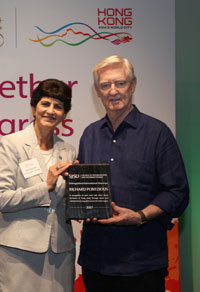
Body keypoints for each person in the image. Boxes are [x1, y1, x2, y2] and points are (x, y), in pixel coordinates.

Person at [77, 55, 189, 292]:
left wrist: (140, 216)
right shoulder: (90, 135)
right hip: (96, 261)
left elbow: (178, 193)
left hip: (142, 263)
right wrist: (77, 195)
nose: (113, 91)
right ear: (97, 91)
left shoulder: (158, 133)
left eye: (120, 83)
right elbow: (87, 193)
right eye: (105, 85)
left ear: (133, 84)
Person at [0, 79, 77, 292]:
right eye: (45, 104)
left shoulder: (69, 151)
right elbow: (1, 199)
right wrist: (46, 186)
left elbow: (68, 203)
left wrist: (85, 198)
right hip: (19, 252)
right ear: (33, 107)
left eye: (58, 106)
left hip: (61, 253)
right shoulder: (12, 143)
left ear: (65, 114)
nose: (51, 111)